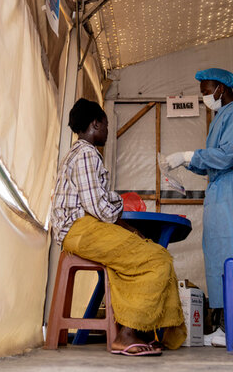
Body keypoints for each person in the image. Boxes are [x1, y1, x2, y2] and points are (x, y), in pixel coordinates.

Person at [50, 98, 186, 356]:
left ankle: (145, 332)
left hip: (82, 229)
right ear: (95, 123)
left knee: (137, 254)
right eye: (106, 125)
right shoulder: (87, 154)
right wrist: (120, 210)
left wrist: (120, 215)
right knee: (156, 258)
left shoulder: (78, 154)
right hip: (80, 230)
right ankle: (126, 334)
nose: (108, 132)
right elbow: (99, 208)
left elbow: (99, 203)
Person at [167, 68, 233, 348]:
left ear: (221, 88)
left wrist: (188, 154)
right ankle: (227, 326)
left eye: (207, 91)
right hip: (221, 190)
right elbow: (212, 161)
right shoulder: (221, 117)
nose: (205, 97)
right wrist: (184, 162)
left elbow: (228, 154)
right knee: (221, 257)